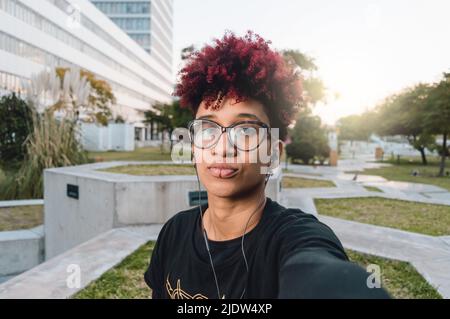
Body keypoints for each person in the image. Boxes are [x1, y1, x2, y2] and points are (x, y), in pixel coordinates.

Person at [144, 31, 390, 299]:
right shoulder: (174, 232)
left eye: (246, 130)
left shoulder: (293, 238)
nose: (223, 148)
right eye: (208, 128)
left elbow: (324, 277)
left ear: (274, 152)